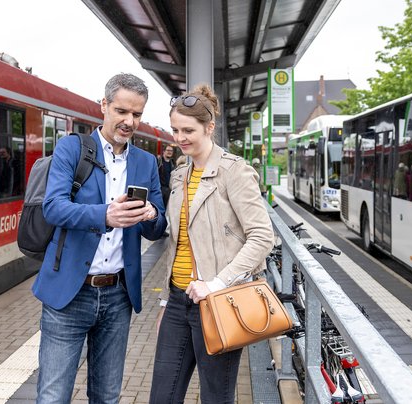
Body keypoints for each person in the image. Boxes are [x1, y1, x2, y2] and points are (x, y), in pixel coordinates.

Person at [32, 73, 167, 403]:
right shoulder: (71, 148)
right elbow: (54, 208)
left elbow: (158, 226)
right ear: (104, 105)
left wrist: (150, 214)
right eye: (121, 111)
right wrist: (104, 215)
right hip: (70, 293)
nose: (129, 121)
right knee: (53, 396)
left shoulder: (146, 161)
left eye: (136, 114)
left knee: (107, 396)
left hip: (118, 295)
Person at [149, 84, 274, 404]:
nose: (180, 138)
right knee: (162, 397)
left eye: (188, 130)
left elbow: (262, 236)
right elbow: (179, 243)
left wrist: (216, 283)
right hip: (178, 301)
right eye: (175, 130)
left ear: (210, 127)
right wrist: (165, 301)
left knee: (216, 398)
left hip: (217, 304)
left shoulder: (235, 172)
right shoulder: (180, 174)